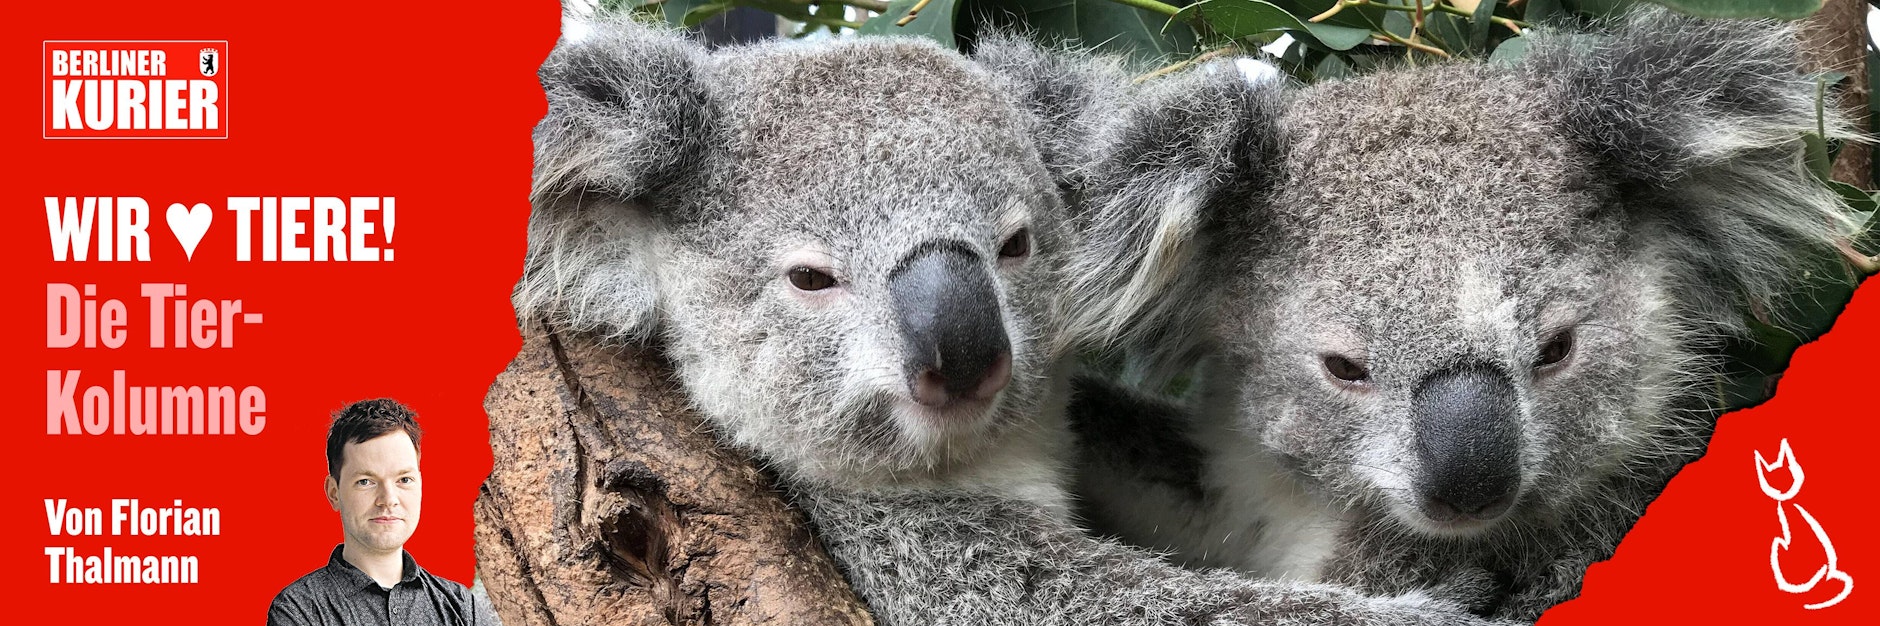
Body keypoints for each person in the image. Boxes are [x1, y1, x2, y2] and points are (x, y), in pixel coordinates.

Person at [268, 399, 497, 626]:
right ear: (334, 492)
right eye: (366, 481)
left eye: (404, 479)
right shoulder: (298, 610)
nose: (388, 499)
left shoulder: (462, 607)